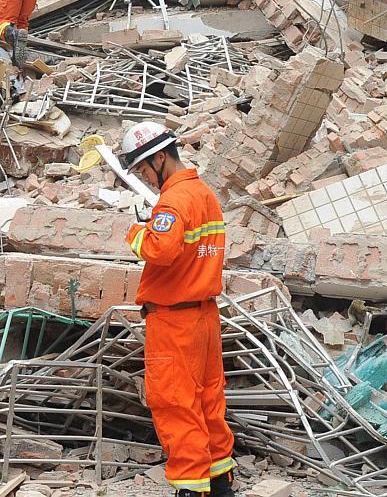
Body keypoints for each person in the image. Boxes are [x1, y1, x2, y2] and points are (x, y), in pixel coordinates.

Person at [117, 121, 236, 497]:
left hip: (174, 320)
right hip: (205, 314)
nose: (144, 179)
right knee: (208, 400)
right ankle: (220, 481)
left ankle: (191, 487)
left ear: (158, 158)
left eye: (141, 170)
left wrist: (138, 232)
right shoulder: (204, 195)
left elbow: (159, 251)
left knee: (175, 404)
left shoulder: (173, 201)